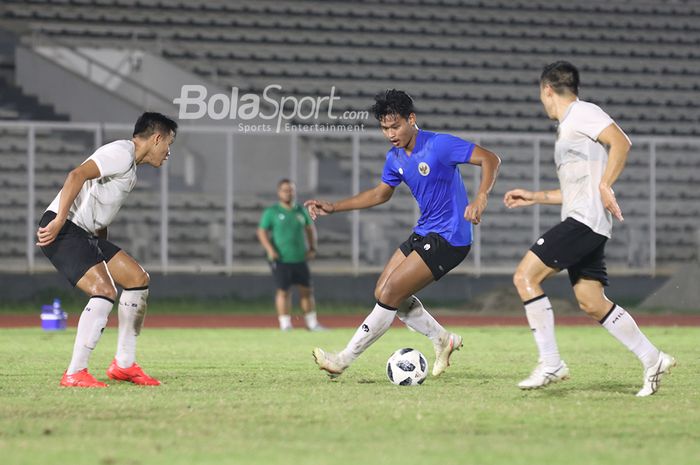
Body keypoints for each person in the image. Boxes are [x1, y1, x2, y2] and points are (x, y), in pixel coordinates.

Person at [504, 61, 675, 397]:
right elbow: (576, 190)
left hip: (585, 221)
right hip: (588, 220)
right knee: (591, 300)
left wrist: (606, 185)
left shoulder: (582, 113)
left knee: (525, 276)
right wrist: (535, 197)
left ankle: (551, 362)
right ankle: (652, 358)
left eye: (542, 95)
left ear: (547, 90)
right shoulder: (571, 126)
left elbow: (621, 142)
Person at [306, 89, 501, 378]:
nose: (390, 134)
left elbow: (490, 159)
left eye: (395, 126)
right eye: (384, 128)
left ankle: (342, 360)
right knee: (383, 291)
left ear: (411, 119)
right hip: (425, 231)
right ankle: (443, 340)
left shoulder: (439, 145)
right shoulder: (395, 157)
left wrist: (481, 196)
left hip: (451, 236)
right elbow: (379, 194)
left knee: (390, 293)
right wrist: (334, 207)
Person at [36, 112, 177, 388]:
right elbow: (76, 175)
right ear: (157, 138)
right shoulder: (122, 152)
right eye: (168, 144)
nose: (168, 152)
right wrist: (60, 220)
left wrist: (100, 245)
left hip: (84, 233)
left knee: (138, 279)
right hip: (65, 228)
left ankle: (124, 365)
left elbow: (98, 212)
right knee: (105, 291)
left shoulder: (130, 167)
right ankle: (75, 372)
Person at [257, 179, 324, 331]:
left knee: (306, 290)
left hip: (299, 257)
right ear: (279, 192)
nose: (288, 193)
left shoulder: (300, 211)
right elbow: (262, 231)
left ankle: (312, 323)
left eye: (291, 190)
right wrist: (270, 249)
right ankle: (285, 324)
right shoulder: (272, 212)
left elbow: (310, 229)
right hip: (280, 258)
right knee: (283, 290)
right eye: (285, 190)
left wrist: (313, 247)